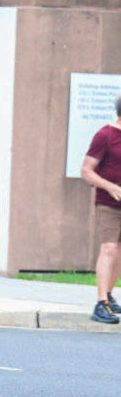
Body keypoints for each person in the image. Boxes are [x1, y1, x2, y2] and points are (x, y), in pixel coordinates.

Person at [79, 93, 121, 323]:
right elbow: (86, 170)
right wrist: (110, 186)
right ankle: (100, 303)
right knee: (109, 249)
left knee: (119, 252)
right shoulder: (105, 135)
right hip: (109, 204)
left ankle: (110, 295)